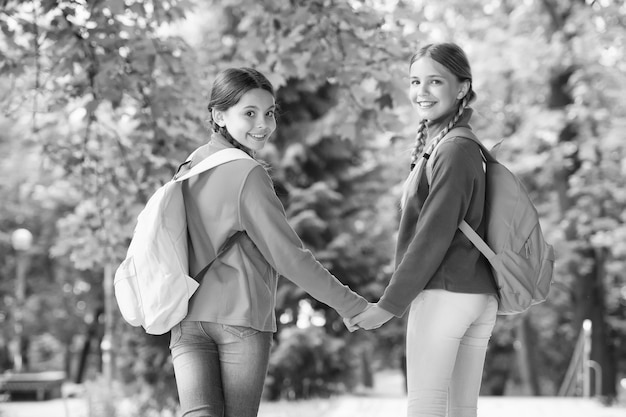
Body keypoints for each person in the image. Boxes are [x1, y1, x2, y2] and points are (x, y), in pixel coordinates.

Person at [169, 67, 369, 417]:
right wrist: (351, 305)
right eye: (249, 113)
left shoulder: (188, 167)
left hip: (185, 319)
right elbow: (290, 257)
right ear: (219, 115)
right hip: (240, 320)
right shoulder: (247, 173)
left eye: (269, 112)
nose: (263, 124)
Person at [349, 43, 499, 417]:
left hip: (445, 294)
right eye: (415, 81)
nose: (421, 92)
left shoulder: (453, 149)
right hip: (477, 296)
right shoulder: (459, 145)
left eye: (435, 81)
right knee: (460, 410)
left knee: (426, 408)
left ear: (462, 87)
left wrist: (388, 306)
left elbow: (433, 236)